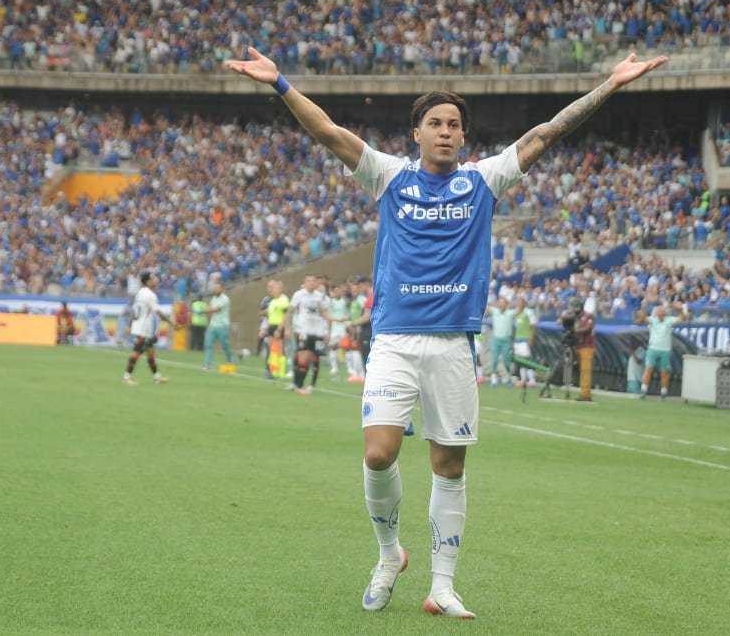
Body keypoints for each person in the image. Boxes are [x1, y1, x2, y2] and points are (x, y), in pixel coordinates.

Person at [225, 45, 667, 618]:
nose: (445, 132)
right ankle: (390, 556)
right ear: (416, 133)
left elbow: (546, 133)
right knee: (379, 454)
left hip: (454, 345)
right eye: (434, 123)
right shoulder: (388, 176)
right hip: (394, 341)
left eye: (454, 125)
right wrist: (279, 83)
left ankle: (443, 586)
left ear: (463, 137)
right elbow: (330, 133)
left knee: (449, 467)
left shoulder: (483, 180)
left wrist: (610, 85)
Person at [123, 272, 170, 385]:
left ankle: (157, 377)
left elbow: (135, 311)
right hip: (143, 329)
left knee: (150, 353)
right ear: (148, 282)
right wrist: (171, 322)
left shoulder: (140, 293)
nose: (156, 280)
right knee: (136, 352)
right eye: (153, 278)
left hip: (141, 328)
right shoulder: (150, 295)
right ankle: (126, 377)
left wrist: (129, 326)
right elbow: (158, 312)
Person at [288, 274, 329, 394]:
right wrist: (287, 328)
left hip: (316, 332)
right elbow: (290, 312)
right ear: (305, 283)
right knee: (303, 357)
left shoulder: (319, 297)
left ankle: (299, 384)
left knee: (311, 357)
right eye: (308, 281)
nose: (311, 283)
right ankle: (299, 385)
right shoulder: (299, 295)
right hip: (302, 330)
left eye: (313, 281)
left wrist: (329, 327)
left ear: (316, 284)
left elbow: (324, 313)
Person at [639, 302, 689, 400]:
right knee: (648, 369)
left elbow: (682, 319)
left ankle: (663, 392)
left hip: (665, 350)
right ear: (657, 313)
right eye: (660, 312)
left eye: (663, 312)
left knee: (664, 372)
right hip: (653, 348)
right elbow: (642, 319)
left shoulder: (669, 320)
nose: (661, 313)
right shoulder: (652, 320)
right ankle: (643, 390)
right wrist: (643, 307)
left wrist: (682, 308)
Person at [261, 280, 291, 379]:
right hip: (271, 326)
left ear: (280, 290)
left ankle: (282, 371)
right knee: (272, 350)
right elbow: (270, 316)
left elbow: (285, 316)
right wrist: (265, 328)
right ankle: (274, 371)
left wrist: (280, 329)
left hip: (279, 326)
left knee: (280, 349)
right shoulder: (272, 301)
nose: (273, 290)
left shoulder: (284, 300)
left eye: (275, 288)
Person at [202, 282, 234, 370]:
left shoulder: (225, 299)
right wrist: (205, 310)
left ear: (222, 289)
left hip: (223, 325)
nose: (215, 290)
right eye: (215, 288)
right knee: (208, 344)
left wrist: (204, 311)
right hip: (213, 325)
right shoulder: (214, 298)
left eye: (217, 288)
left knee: (224, 344)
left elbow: (217, 309)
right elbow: (210, 307)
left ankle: (230, 358)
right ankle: (207, 365)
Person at [485, 296, 515, 387]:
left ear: (506, 304)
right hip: (496, 339)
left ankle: (509, 378)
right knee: (494, 360)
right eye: (499, 302)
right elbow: (485, 307)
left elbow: (519, 310)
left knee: (506, 360)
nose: (500, 304)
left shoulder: (510, 313)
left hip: (506, 340)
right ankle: (494, 380)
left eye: (502, 302)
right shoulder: (495, 311)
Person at [511, 296, 537, 388]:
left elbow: (533, 326)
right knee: (521, 361)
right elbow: (516, 328)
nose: (518, 304)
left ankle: (532, 381)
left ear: (523, 303)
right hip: (518, 340)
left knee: (526, 360)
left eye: (520, 302)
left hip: (525, 340)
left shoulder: (528, 312)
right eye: (517, 302)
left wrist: (531, 339)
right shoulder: (516, 313)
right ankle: (523, 380)